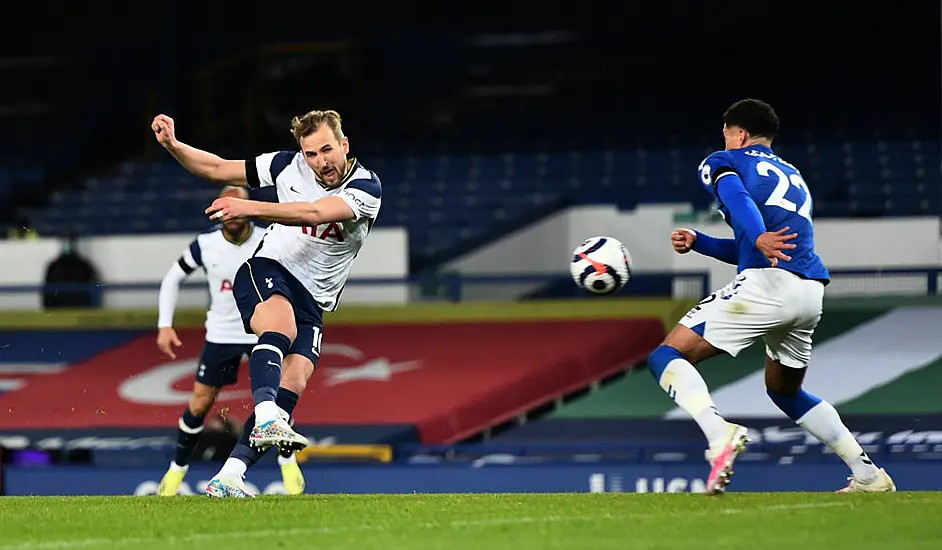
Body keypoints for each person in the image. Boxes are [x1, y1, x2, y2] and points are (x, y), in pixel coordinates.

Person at [650, 99, 895, 495]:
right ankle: (868, 476)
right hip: (808, 291)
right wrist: (701, 241)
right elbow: (755, 246)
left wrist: (758, 232)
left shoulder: (723, 161)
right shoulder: (791, 173)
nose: (724, 140)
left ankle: (719, 435)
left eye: (726, 133)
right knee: (785, 391)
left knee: (665, 355)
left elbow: (740, 204)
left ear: (739, 134)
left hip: (768, 286)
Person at [152, 109, 382, 498]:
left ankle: (230, 475)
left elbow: (314, 211)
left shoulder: (366, 188)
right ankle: (263, 415)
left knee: (293, 384)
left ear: (344, 145)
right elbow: (218, 169)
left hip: (315, 297)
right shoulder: (284, 166)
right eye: (311, 154)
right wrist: (174, 146)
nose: (320, 161)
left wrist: (250, 207)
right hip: (268, 269)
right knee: (280, 332)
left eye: (327, 150)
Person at [154, 185, 305, 496]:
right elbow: (173, 276)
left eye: (238, 205)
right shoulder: (205, 245)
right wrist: (164, 325)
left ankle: (287, 462)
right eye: (225, 206)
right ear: (217, 209)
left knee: (280, 393)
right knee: (200, 402)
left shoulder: (268, 238)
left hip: (261, 328)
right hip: (222, 333)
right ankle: (177, 469)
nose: (231, 213)